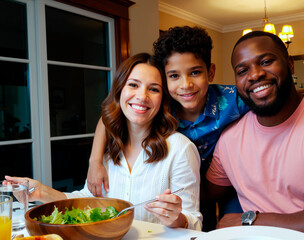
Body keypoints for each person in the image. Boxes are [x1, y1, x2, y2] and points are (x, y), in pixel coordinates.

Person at [86, 26, 304, 231]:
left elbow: (275, 93)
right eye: (173, 76)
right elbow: (113, 114)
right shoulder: (160, 103)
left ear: (211, 72)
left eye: (195, 72)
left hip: (221, 183)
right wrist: (95, 160)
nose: (186, 85)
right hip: (182, 182)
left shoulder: (233, 99)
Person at [5, 53, 202, 230]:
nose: (142, 96)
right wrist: (42, 192)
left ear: (163, 99)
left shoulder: (180, 148)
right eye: (133, 85)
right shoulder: (108, 148)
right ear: (119, 91)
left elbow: (194, 222)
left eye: (154, 89)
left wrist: (176, 218)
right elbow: (90, 200)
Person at [205, 31, 304, 234]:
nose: (254, 74)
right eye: (242, 71)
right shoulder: (229, 139)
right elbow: (204, 194)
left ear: (290, 64)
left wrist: (251, 221)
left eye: (267, 61)